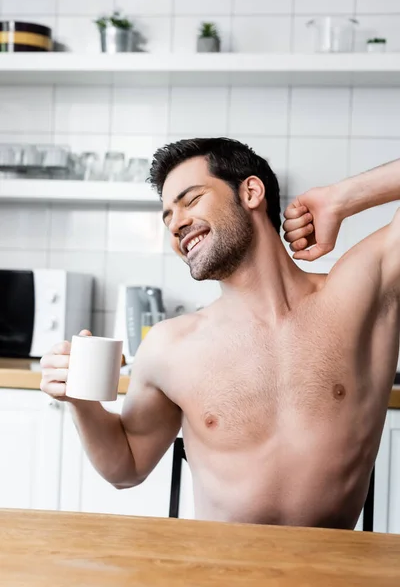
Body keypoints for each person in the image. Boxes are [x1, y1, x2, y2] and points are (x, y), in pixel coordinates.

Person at [40, 138, 400, 529]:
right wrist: (81, 402)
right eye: (167, 217)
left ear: (250, 192)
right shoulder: (170, 346)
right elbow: (126, 468)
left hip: (331, 571)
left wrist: (341, 197)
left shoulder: (360, 293)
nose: (176, 224)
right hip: (217, 569)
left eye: (190, 200)